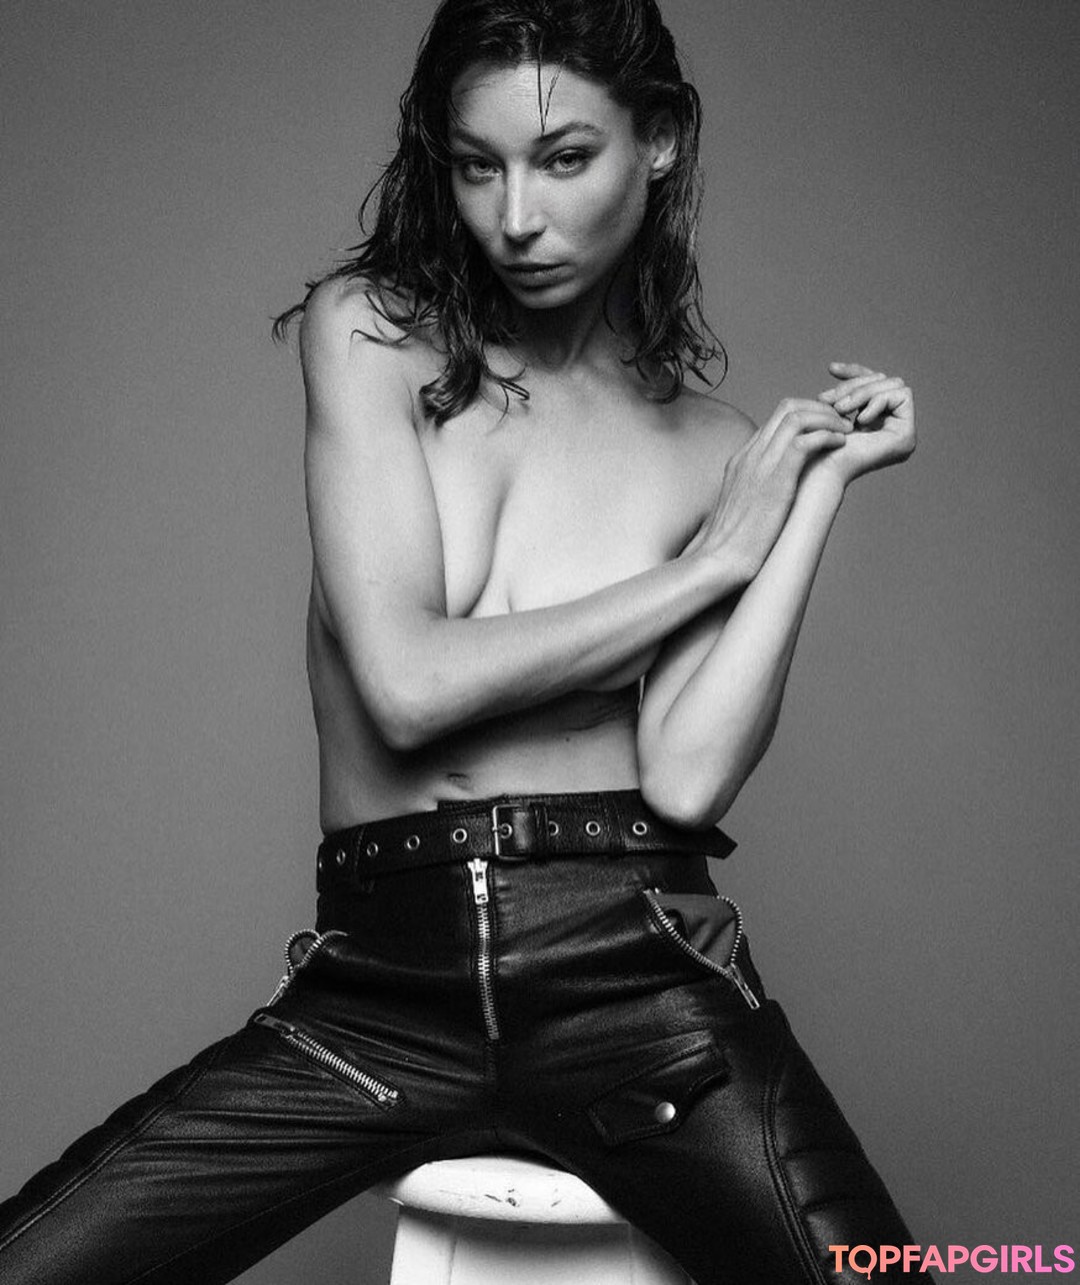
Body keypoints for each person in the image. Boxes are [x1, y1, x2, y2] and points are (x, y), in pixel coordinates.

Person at [0, 0, 932, 1281]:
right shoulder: (369, 334)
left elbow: (687, 778)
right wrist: (713, 563)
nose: (516, 216)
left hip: (636, 979)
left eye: (565, 157)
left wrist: (810, 495)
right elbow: (406, 681)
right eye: (478, 165)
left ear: (659, 139)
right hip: (381, 995)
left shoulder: (719, 449)